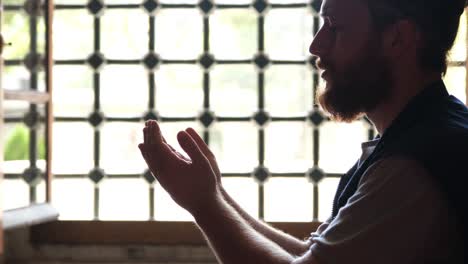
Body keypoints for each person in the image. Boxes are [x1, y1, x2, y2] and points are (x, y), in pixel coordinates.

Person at [139, 0, 468, 263]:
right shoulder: (423, 135)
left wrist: (205, 205)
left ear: (398, 38)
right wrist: (217, 195)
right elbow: (312, 255)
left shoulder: (414, 166)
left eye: (335, 28)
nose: (316, 45)